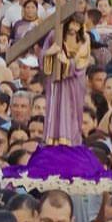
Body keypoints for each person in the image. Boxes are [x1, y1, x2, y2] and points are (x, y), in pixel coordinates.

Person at [40, 13, 91, 146]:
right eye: (73, 23)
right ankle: (52, 137)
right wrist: (49, 54)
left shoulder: (84, 38)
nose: (74, 27)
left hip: (73, 81)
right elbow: (44, 55)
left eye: (78, 25)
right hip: (56, 80)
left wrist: (68, 63)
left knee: (72, 109)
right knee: (55, 107)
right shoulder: (55, 34)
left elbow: (82, 60)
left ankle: (71, 140)